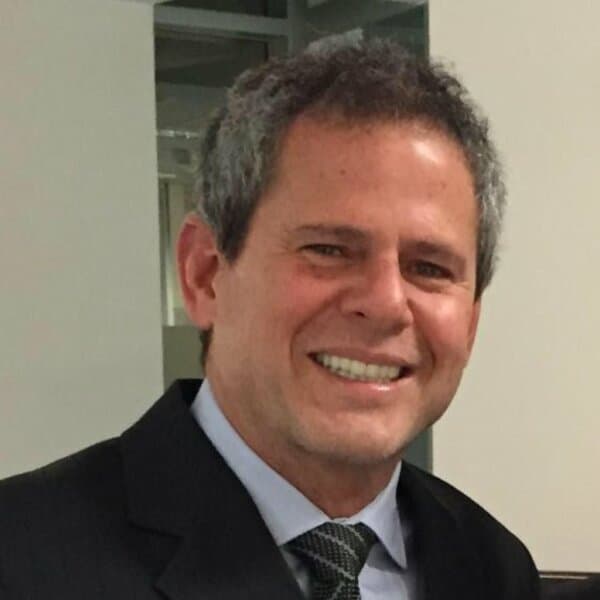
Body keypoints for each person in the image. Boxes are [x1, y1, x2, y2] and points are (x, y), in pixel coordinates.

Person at [0, 36, 540, 599]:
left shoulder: (492, 568)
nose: (385, 304)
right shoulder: (19, 561)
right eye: (329, 249)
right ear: (205, 273)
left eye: (429, 267)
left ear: (471, 320)